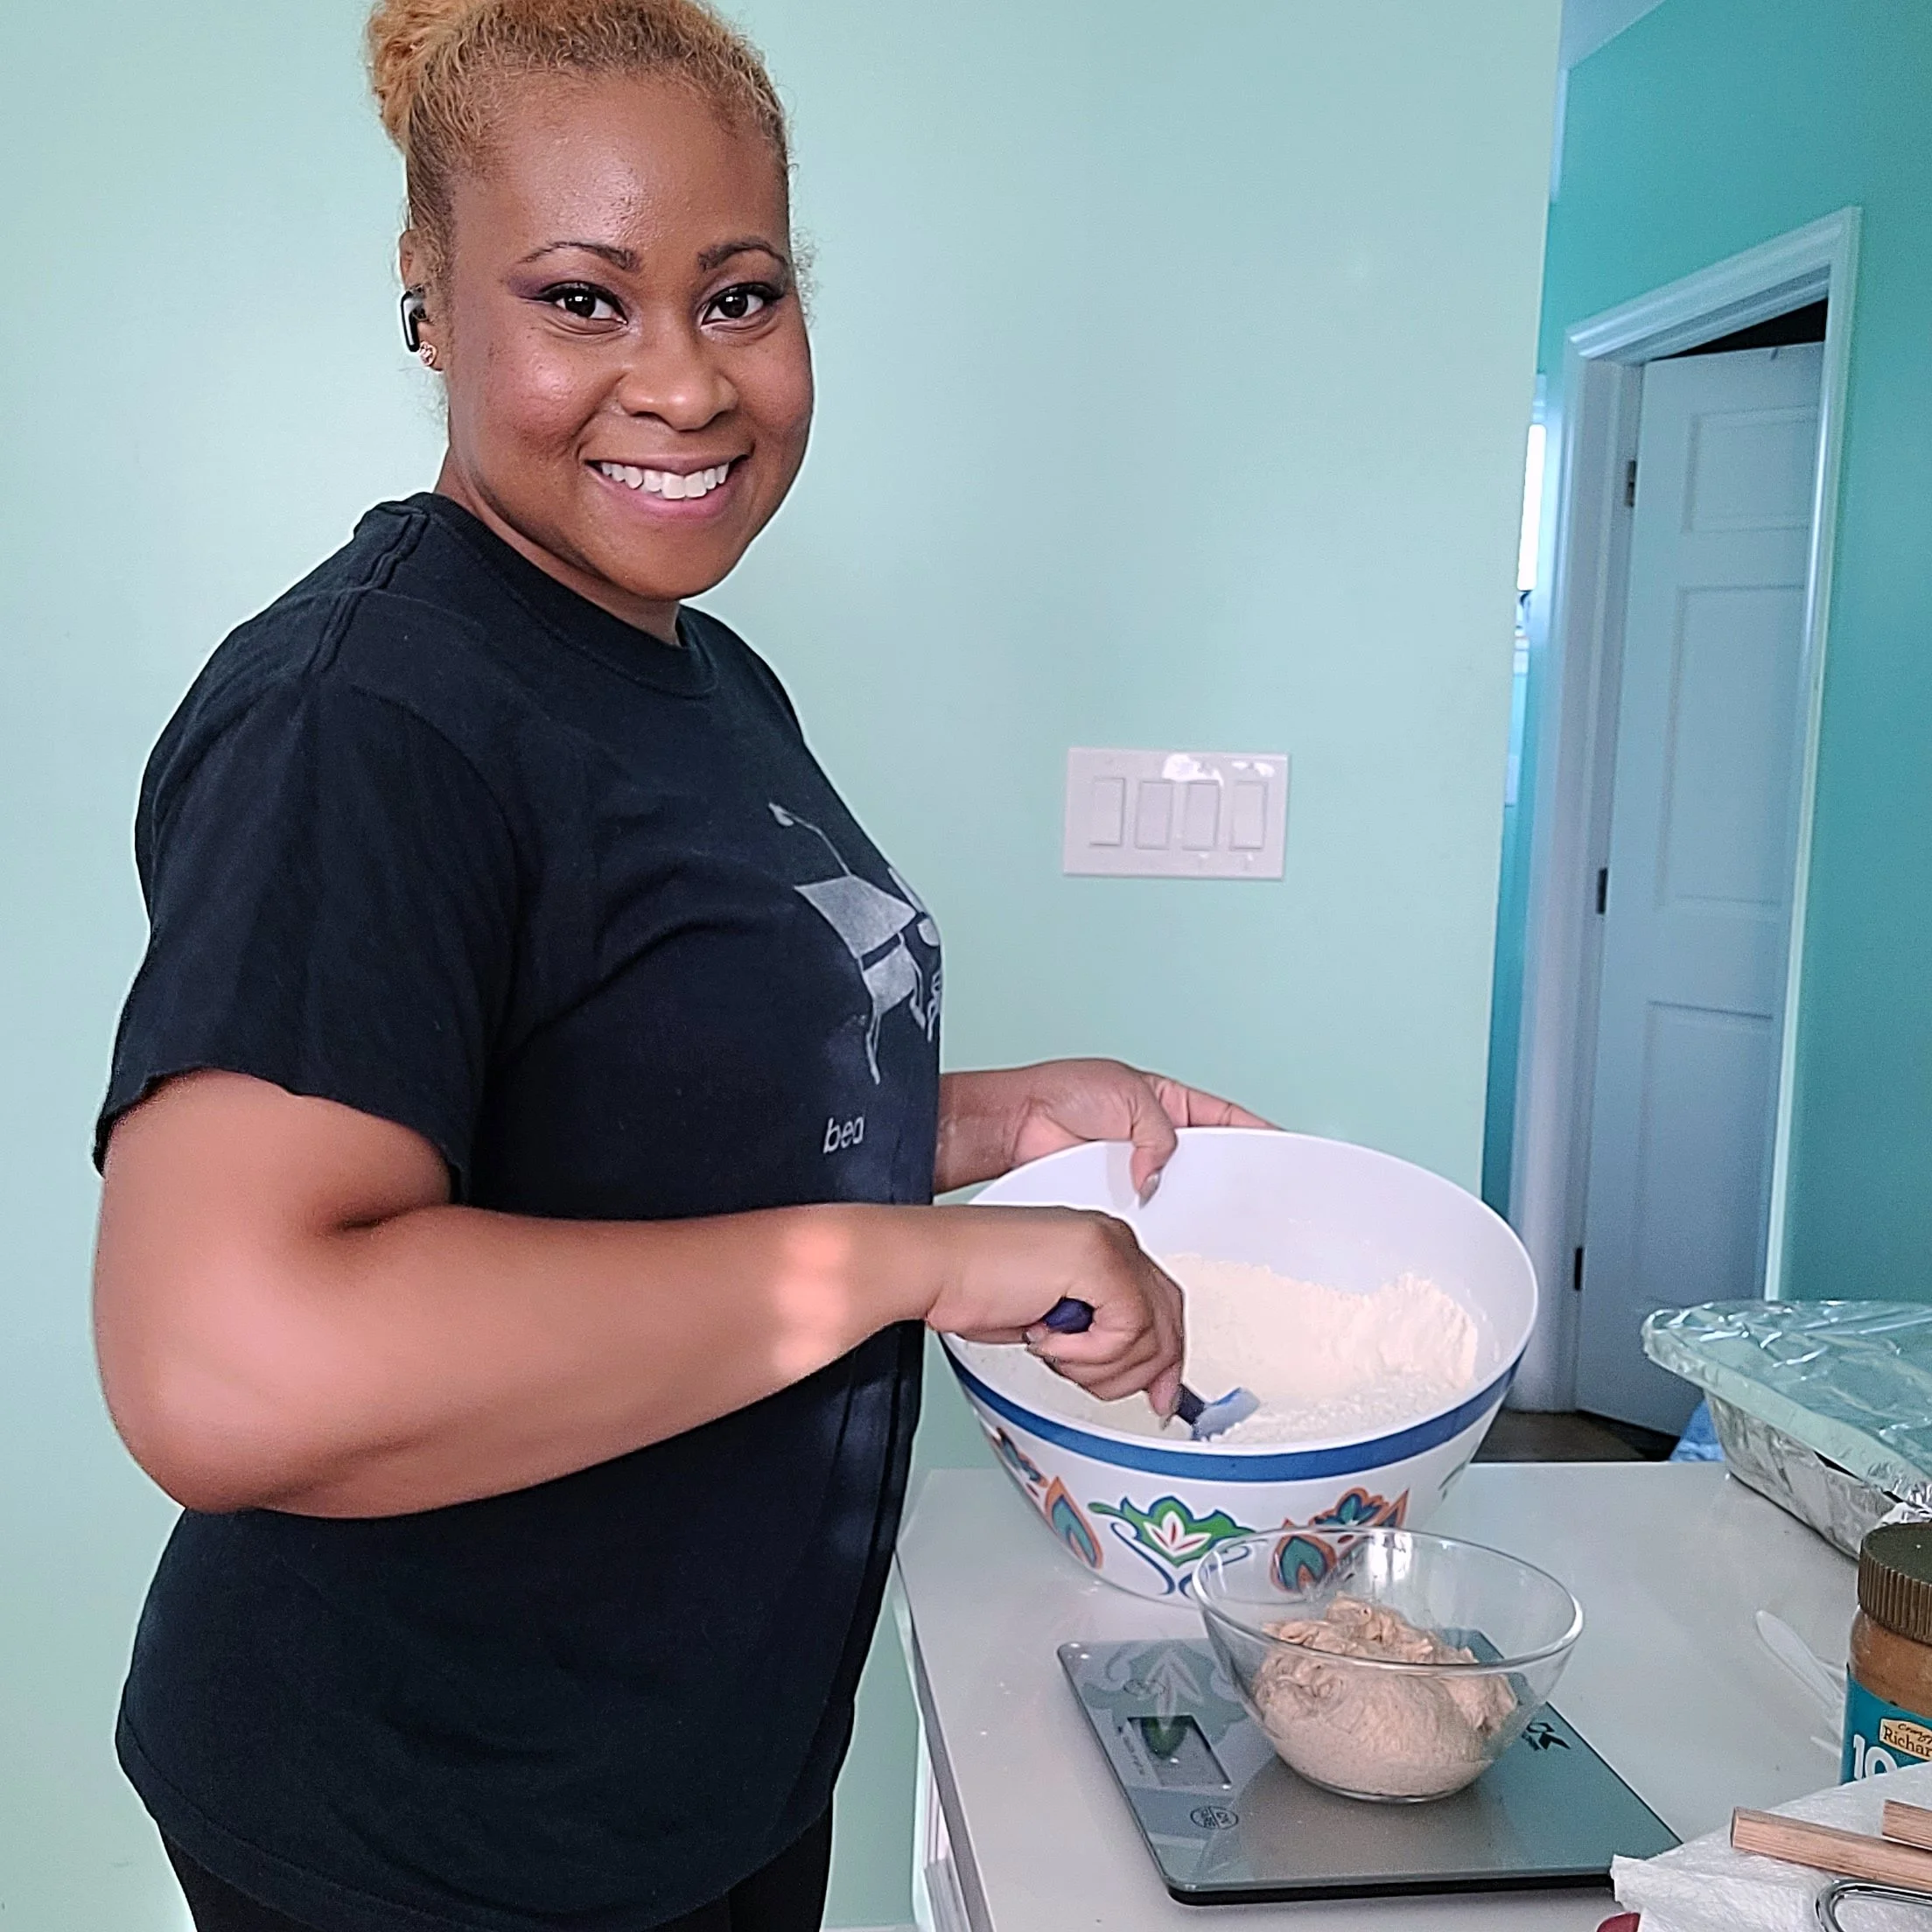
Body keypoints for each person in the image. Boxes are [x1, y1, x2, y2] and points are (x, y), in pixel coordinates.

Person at [90, 4, 1269, 1928]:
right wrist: (924, 1258)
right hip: (436, 1830)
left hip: (683, 1772)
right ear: (430, 296)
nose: (685, 384)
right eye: (581, 299)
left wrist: (996, 1121)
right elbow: (227, 1364)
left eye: (738, 299)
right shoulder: (364, 715)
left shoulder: (693, 672)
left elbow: (638, 1098)